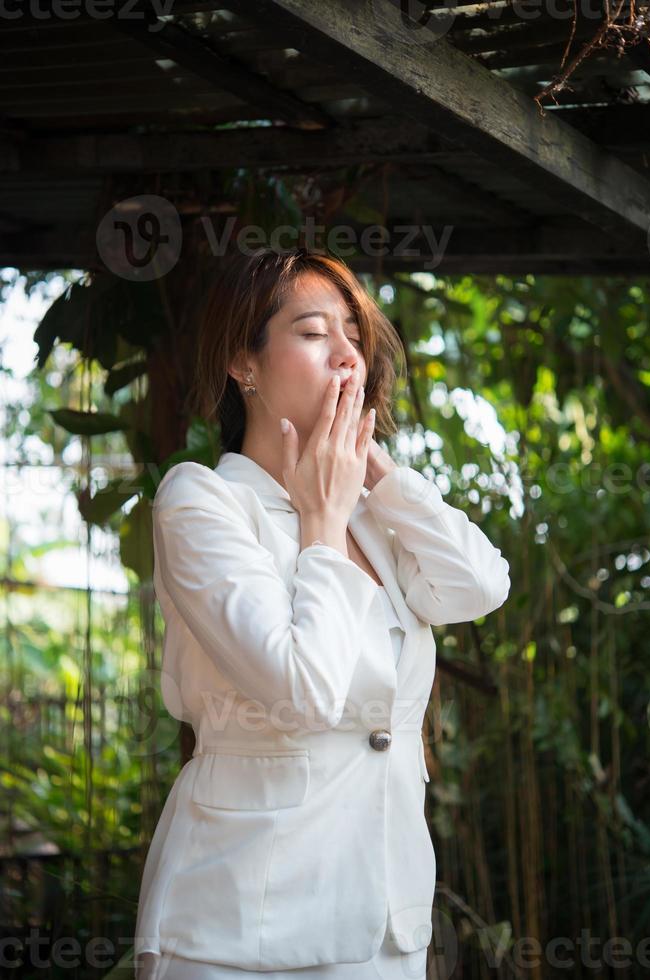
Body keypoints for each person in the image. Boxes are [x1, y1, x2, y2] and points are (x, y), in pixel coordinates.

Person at [133, 247, 511, 980]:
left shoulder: (373, 515)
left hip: (385, 918)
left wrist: (377, 472)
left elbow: (478, 585)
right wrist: (319, 521)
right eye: (312, 334)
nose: (347, 356)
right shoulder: (202, 502)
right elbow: (302, 693)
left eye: (354, 336)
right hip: (241, 921)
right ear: (244, 363)